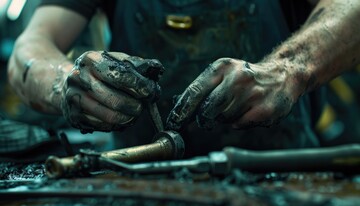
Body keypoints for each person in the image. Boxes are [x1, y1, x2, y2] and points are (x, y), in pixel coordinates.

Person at [7, 0, 360, 157]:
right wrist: (65, 81)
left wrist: (286, 69)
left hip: (279, 184)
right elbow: (31, 45)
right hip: (136, 188)